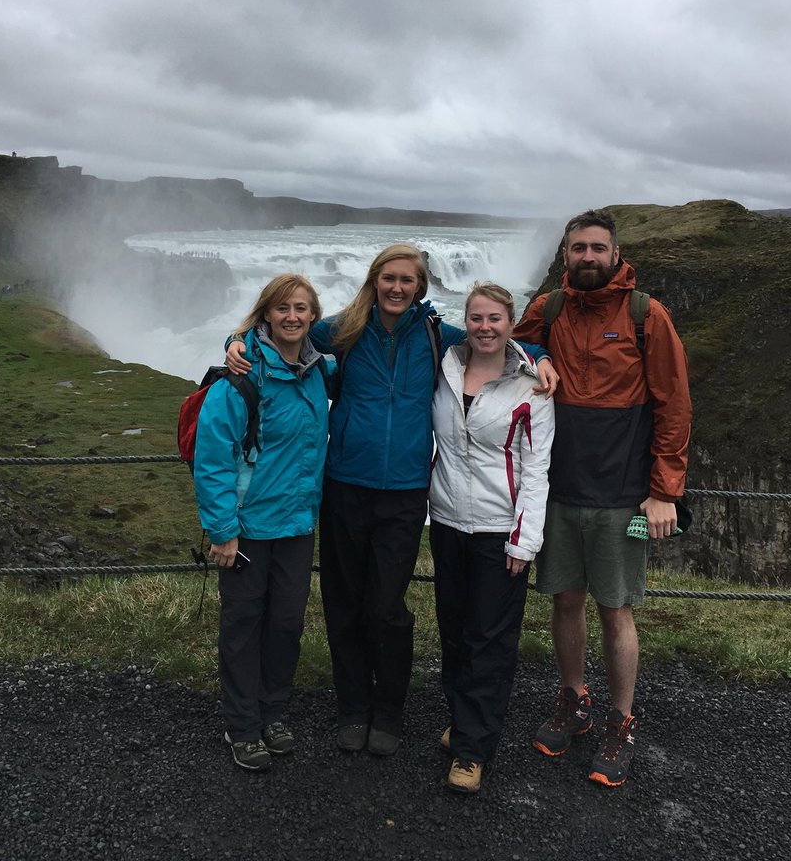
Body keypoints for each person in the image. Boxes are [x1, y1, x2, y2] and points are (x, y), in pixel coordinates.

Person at [225, 243, 557, 757]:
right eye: (389, 278)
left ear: (419, 287)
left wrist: (540, 356)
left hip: (404, 493)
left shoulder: (435, 336)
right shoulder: (342, 329)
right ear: (374, 280)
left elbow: (491, 340)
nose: (398, 287)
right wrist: (237, 340)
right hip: (345, 484)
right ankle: (353, 708)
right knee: (344, 603)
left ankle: (390, 710)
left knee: (386, 606)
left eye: (408, 280)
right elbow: (277, 331)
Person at [513, 209, 692, 787]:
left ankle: (621, 719)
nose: (586, 257)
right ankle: (574, 700)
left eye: (597, 248)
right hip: (558, 489)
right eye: (577, 249)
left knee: (616, 609)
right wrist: (537, 358)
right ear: (565, 255)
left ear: (616, 254)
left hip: (621, 494)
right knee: (564, 601)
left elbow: (674, 405)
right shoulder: (551, 308)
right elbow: (510, 351)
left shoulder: (647, 316)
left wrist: (664, 491)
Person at [193, 273, 336, 772]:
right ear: (266, 316)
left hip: (297, 525)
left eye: (301, 308)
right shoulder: (242, 378)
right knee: (242, 626)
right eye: (282, 309)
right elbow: (213, 457)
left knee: (285, 625)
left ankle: (273, 712)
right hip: (249, 529)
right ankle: (242, 724)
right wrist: (222, 531)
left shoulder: (322, 371)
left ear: (314, 317)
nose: (292, 317)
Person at [429, 282, 554, 795]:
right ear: (467, 321)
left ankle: (473, 750)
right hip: (446, 522)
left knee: (490, 640)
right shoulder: (444, 366)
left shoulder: (531, 388)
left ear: (511, 323)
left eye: (495, 319)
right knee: (455, 631)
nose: (485, 327)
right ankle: (464, 721)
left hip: (500, 531)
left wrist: (524, 541)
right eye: (477, 318)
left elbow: (538, 469)